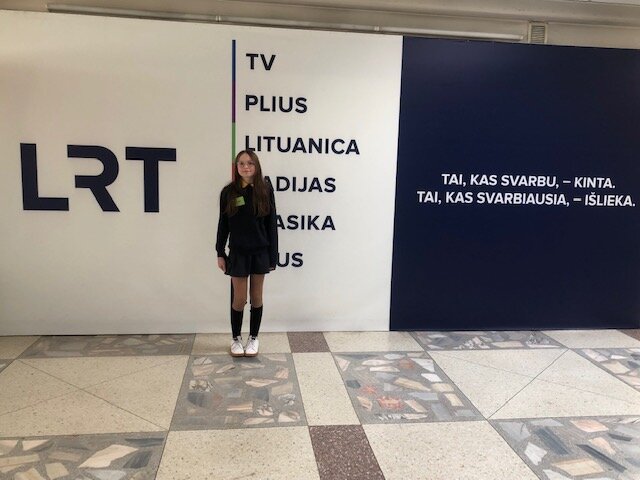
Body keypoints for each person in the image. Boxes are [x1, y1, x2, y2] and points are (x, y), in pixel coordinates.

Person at [216, 150, 278, 357]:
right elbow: (223, 224)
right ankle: (236, 338)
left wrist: (273, 256)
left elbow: (271, 225)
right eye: (241, 163)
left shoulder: (265, 190)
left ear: (256, 166)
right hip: (238, 253)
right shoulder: (229, 192)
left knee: (256, 297)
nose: (246, 167)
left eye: (250, 163)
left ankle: (253, 338)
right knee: (239, 298)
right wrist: (220, 252)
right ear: (236, 167)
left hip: (260, 252)